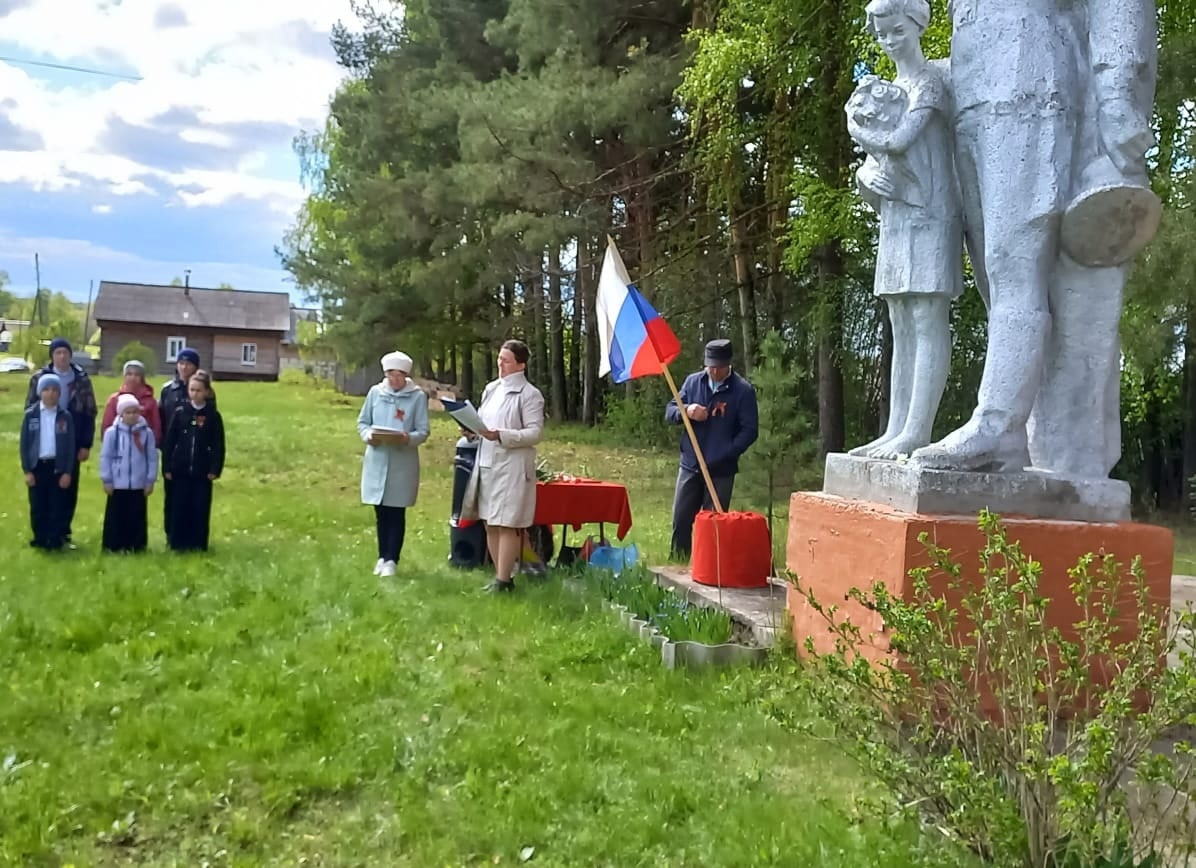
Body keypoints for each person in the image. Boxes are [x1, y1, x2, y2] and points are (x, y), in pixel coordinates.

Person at [911, 0, 1158, 477]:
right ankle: (1014, 437)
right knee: (994, 274)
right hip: (973, 85)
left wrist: (1117, 86)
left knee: (1014, 261)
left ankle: (999, 422)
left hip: (1032, 77)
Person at [845, 0, 963, 460]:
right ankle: (895, 428)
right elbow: (880, 166)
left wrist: (855, 126)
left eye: (897, 30)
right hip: (897, 215)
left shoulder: (930, 83)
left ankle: (918, 430)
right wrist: (863, 179)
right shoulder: (889, 91)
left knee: (926, 315)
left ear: (916, 26)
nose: (890, 42)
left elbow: (898, 142)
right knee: (899, 317)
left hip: (933, 211)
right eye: (882, 34)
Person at [461, 339, 545, 593]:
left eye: (506, 360)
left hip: (512, 467)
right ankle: (501, 575)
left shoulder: (530, 395)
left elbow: (534, 433)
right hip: (487, 463)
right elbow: (483, 424)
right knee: (490, 522)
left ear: (521, 364)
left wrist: (502, 435)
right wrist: (472, 431)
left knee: (507, 523)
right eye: (499, 359)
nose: (500, 364)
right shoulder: (491, 389)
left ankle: (504, 580)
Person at [664, 339, 759, 559]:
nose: (714, 371)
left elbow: (750, 431)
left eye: (719, 366)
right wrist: (686, 410)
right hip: (690, 465)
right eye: (710, 365)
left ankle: (708, 569)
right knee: (680, 520)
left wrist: (727, 452)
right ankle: (677, 564)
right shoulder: (693, 382)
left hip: (720, 471)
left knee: (713, 526)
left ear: (728, 364)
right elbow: (670, 410)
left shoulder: (742, 391)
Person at [356, 350, 430, 578]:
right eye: (391, 375)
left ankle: (392, 559)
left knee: (396, 511)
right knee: (380, 511)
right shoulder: (375, 393)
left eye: (399, 376)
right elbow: (363, 422)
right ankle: (381, 556)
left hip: (401, 462)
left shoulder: (416, 397)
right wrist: (369, 435)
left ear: (405, 375)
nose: (395, 380)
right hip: (377, 458)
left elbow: (423, 430)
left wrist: (408, 438)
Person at [25, 337, 97, 546]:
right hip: (45, 440)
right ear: (52, 356)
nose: (62, 356)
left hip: (71, 440)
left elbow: (89, 411)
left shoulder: (81, 378)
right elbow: (29, 409)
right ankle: (42, 533)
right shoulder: (40, 377)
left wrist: (85, 444)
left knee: (67, 487)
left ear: (70, 355)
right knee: (42, 491)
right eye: (58, 353)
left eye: (66, 352)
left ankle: (62, 532)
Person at [162, 370, 225, 552]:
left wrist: (215, 468)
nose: (194, 394)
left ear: (206, 392)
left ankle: (198, 544)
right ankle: (178, 543)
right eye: (191, 390)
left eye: (198, 390)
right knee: (179, 507)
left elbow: (218, 444)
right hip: (180, 469)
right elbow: (170, 441)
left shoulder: (213, 416)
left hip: (202, 471)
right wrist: (167, 466)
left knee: (199, 507)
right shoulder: (181, 412)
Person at [158, 348, 215, 542]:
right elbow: (161, 419)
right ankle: (171, 535)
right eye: (181, 363)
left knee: (193, 499)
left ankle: (192, 536)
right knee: (172, 497)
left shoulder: (205, 392)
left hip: (196, 453)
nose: (184, 367)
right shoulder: (168, 390)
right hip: (174, 452)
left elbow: (210, 424)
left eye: (188, 363)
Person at [20, 373, 74, 550]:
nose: (50, 393)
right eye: (46, 389)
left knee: (56, 503)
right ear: (39, 392)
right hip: (37, 466)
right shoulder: (31, 415)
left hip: (56, 467)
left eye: (54, 390)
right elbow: (25, 444)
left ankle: (55, 538)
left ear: (59, 394)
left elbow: (70, 445)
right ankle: (40, 537)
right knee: (38, 504)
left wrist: (67, 471)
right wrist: (27, 470)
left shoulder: (65, 417)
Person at [99, 393, 157, 553]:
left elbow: (152, 457)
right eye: (128, 412)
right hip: (118, 483)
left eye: (135, 412)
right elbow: (106, 456)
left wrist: (150, 479)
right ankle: (114, 545)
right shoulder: (112, 433)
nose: (132, 415)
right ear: (121, 414)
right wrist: (107, 479)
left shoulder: (146, 433)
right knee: (117, 515)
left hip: (138, 483)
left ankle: (136, 545)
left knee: (136, 515)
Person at [101, 360, 163, 443]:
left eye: (137, 375)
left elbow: (156, 428)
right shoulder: (114, 400)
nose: (133, 378)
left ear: (142, 378)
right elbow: (107, 426)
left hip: (143, 447)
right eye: (129, 374)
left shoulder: (150, 402)